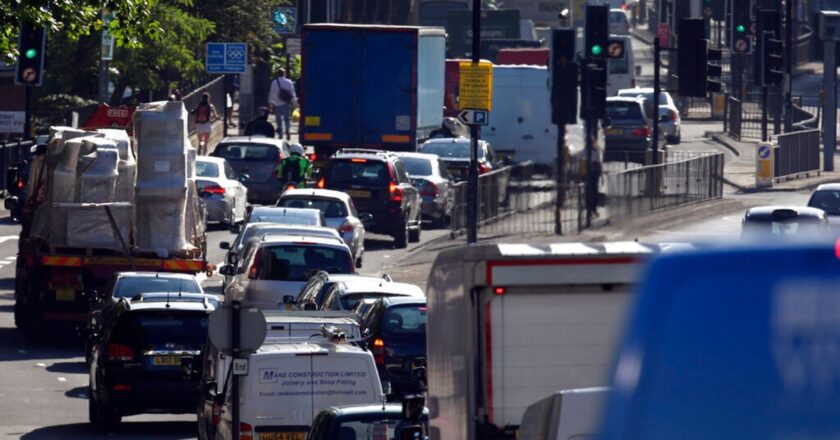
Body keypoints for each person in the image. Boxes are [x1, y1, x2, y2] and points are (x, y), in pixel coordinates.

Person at [268, 68, 297, 141]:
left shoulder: (274, 82)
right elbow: (292, 93)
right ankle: (287, 131)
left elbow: (272, 93)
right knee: (287, 119)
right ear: (284, 74)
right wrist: (294, 103)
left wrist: (271, 104)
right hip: (286, 104)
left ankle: (280, 134)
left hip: (277, 104)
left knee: (278, 120)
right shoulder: (289, 82)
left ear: (278, 74)